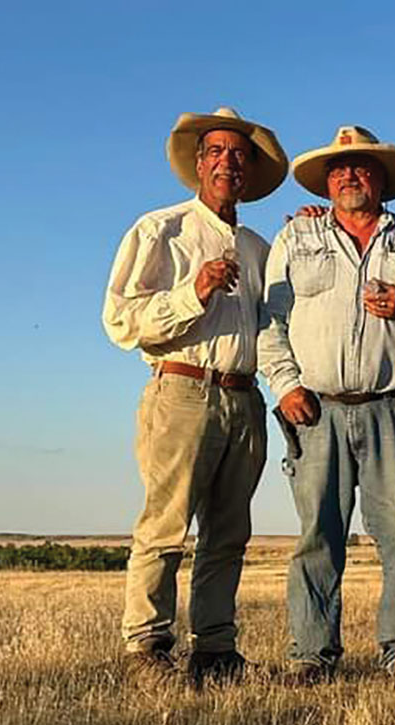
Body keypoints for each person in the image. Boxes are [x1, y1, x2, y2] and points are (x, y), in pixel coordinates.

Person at [259, 125, 395, 682]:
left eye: (362, 167)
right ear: (327, 182)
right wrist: (285, 385)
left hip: (394, 405)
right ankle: (311, 653)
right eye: (340, 169)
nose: (351, 175)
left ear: (383, 179)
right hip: (315, 407)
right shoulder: (296, 239)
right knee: (317, 535)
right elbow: (269, 321)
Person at [102, 107, 288, 688]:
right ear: (198, 163)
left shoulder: (262, 247)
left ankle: (215, 650)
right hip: (182, 388)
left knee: (229, 533)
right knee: (165, 525)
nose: (227, 162)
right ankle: (146, 647)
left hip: (244, 395)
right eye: (216, 151)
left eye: (239, 154)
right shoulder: (161, 229)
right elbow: (120, 321)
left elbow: (275, 324)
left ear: (250, 170)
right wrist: (194, 291)